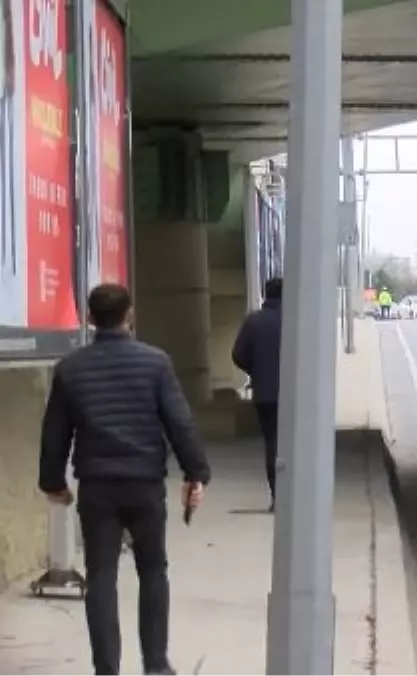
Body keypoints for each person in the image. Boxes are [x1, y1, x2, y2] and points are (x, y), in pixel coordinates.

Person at [38, 283, 211, 676]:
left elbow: (55, 434)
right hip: (144, 483)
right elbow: (179, 422)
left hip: (97, 487)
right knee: (153, 570)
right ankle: (155, 665)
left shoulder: (70, 369)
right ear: (129, 315)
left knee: (101, 576)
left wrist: (53, 482)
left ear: (89, 318)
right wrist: (195, 472)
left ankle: (106, 670)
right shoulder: (156, 363)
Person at [232, 277, 283, 510]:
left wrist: (257, 371)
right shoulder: (296, 319)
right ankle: (299, 493)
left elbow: (238, 355)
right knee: (297, 443)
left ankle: (277, 495)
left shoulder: (254, 321)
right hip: (296, 396)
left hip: (265, 393)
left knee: (272, 441)